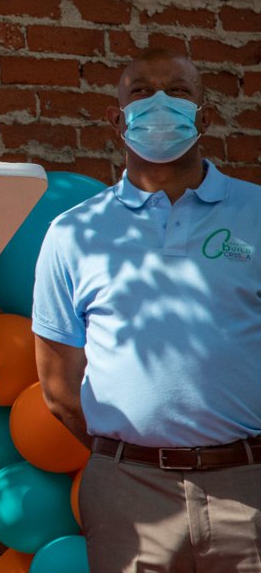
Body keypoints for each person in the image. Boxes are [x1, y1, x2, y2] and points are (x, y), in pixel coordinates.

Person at [33, 48, 261, 573]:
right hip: (127, 492)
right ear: (117, 120)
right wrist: (129, 456)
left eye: (178, 92)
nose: (160, 104)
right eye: (140, 92)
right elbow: (58, 387)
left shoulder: (256, 215)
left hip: (247, 485)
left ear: (204, 117)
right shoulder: (73, 233)